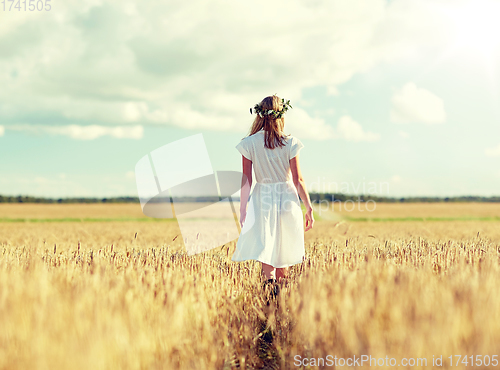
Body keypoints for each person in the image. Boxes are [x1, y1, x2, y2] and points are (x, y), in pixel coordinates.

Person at [231, 94, 314, 298]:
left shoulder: (249, 143)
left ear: (259, 114)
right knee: (284, 249)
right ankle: (282, 303)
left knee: (266, 247)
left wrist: (243, 208)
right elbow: (298, 180)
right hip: (287, 198)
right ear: (281, 115)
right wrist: (309, 207)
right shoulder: (291, 142)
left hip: (262, 198)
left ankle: (270, 296)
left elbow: (246, 180)